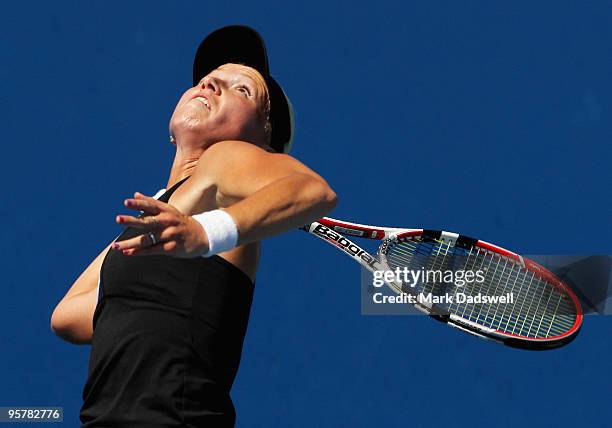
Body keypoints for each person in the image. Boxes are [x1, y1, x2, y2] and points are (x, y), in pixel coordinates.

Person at [50, 25, 337, 427]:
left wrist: (205, 233)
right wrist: (153, 230)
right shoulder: (164, 219)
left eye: (242, 90)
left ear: (263, 140)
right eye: (210, 78)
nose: (212, 82)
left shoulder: (224, 162)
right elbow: (67, 316)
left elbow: (313, 191)